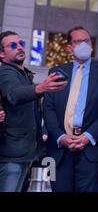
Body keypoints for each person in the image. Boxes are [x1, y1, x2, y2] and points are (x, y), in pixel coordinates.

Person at [43, 26, 98, 192]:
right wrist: (61, 137)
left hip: (92, 150)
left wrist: (88, 136)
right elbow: (48, 109)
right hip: (60, 151)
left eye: (87, 41)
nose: (84, 45)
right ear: (69, 47)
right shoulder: (56, 72)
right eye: (78, 41)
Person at [0, 31, 67, 192]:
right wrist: (40, 87)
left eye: (21, 44)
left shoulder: (22, 73)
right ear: (2, 54)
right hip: (11, 153)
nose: (19, 48)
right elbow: (14, 94)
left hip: (21, 152)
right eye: (13, 45)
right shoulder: (6, 72)